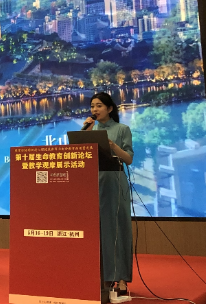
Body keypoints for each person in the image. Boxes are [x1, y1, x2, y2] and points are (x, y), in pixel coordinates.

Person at [82, 92, 134, 296]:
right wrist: (86, 134)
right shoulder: (90, 130)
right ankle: (103, 277)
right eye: (92, 106)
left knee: (117, 229)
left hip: (114, 182)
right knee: (98, 231)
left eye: (99, 106)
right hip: (93, 184)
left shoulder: (122, 129)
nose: (94, 110)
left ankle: (121, 278)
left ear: (110, 108)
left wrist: (112, 146)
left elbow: (128, 159)